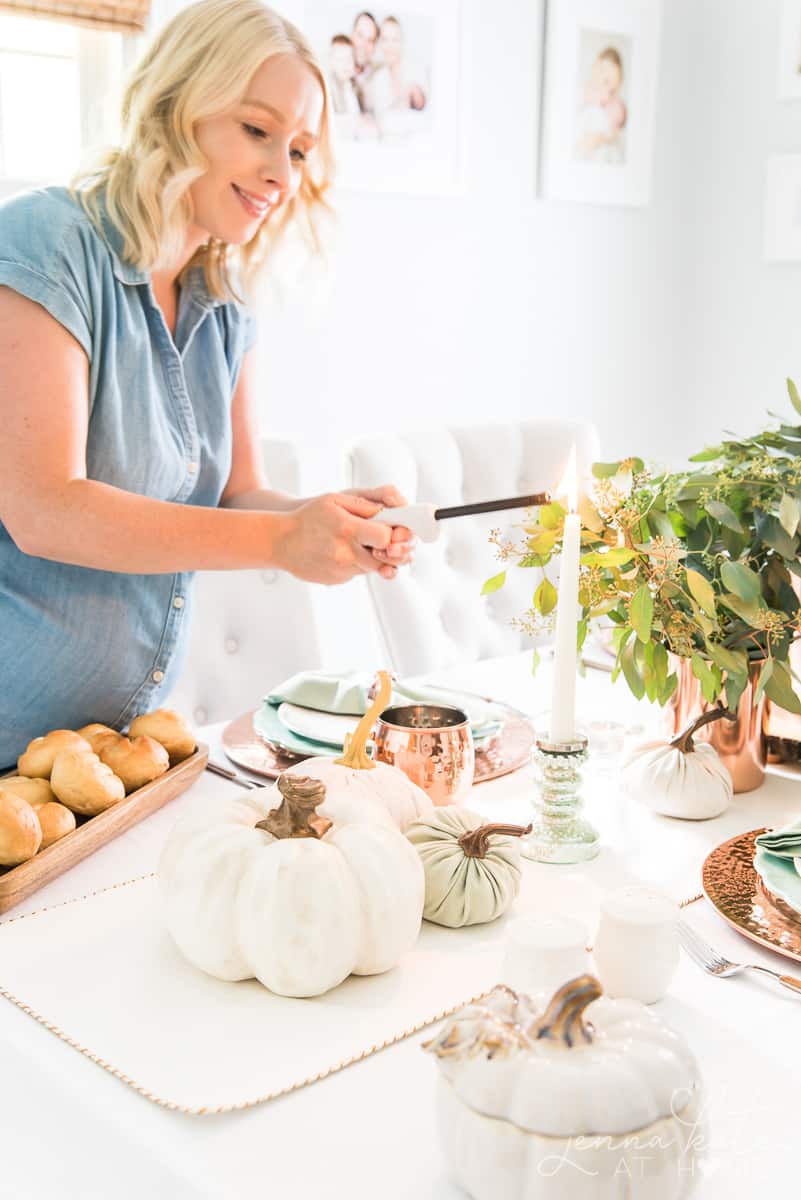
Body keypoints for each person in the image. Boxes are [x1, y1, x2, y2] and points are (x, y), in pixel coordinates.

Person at [0, 0, 414, 767]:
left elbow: (234, 496)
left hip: (111, 754)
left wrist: (331, 519)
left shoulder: (222, 302)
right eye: (256, 131)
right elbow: (43, 510)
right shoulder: (44, 245)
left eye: (297, 149)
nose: (280, 175)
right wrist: (282, 539)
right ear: (173, 108)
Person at [574, 45, 627, 163]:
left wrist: (599, 139)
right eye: (602, 70)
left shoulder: (616, 104)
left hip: (600, 136)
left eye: (610, 77)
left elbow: (613, 131)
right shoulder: (587, 90)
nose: (604, 76)